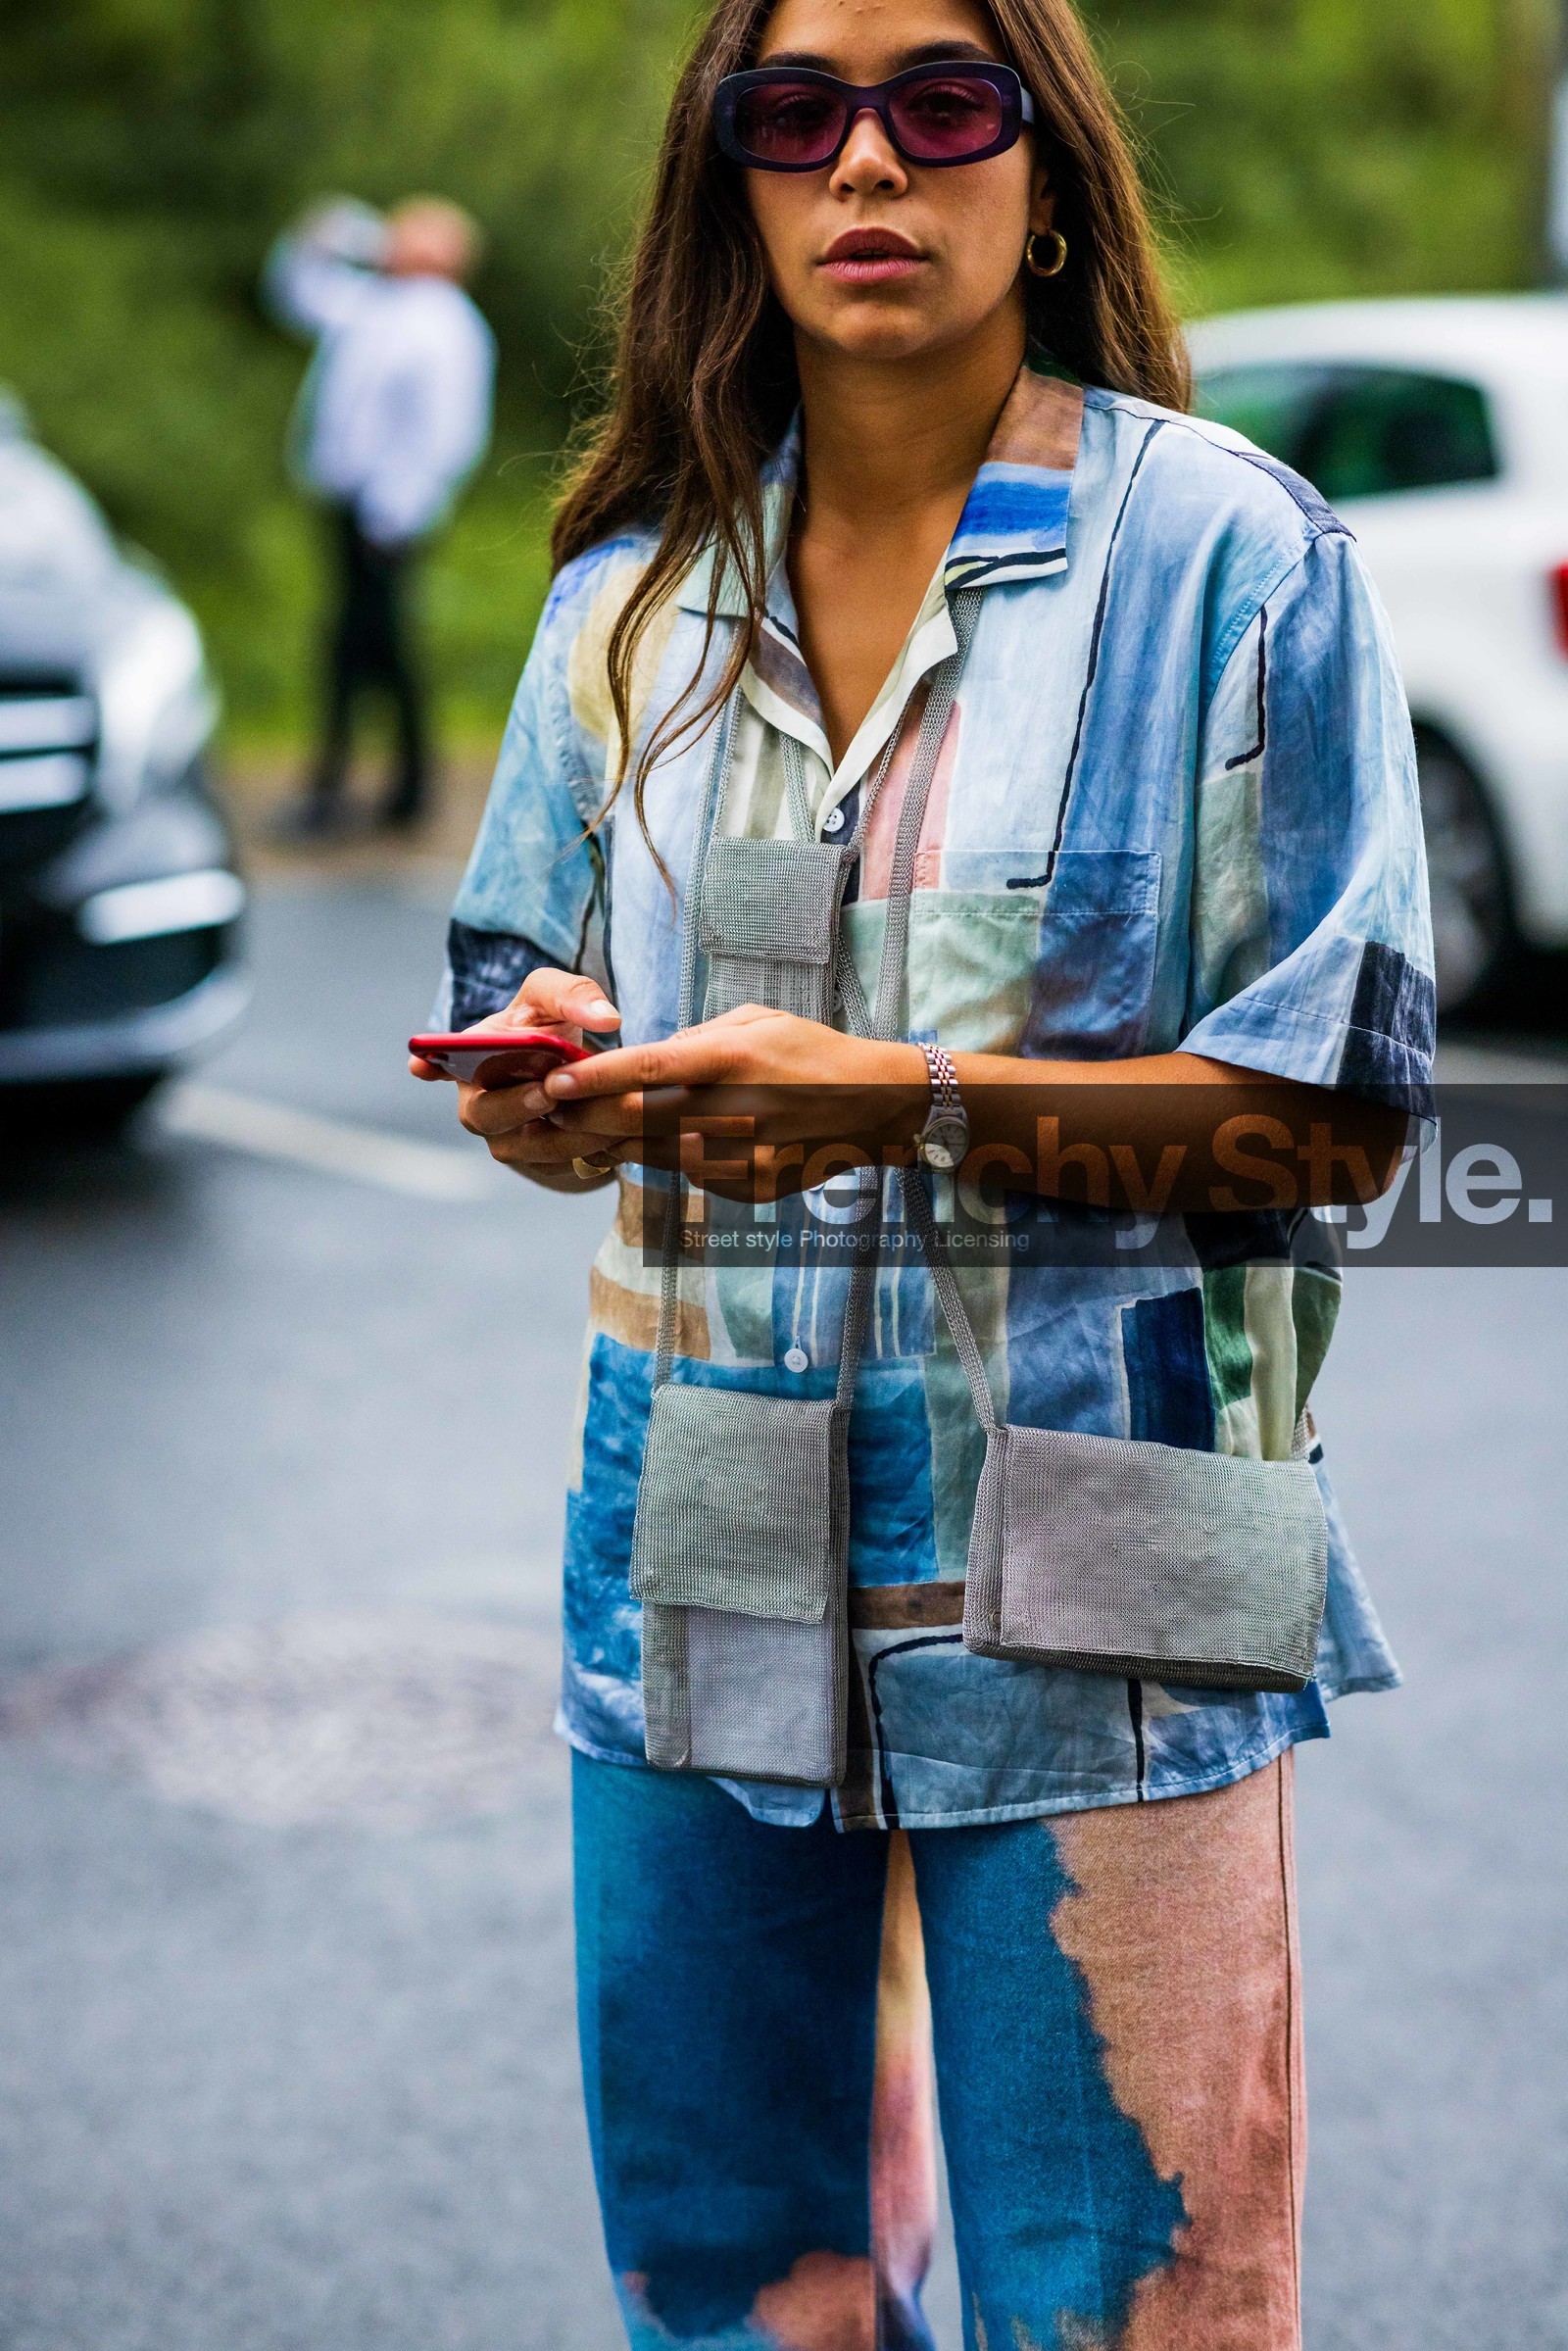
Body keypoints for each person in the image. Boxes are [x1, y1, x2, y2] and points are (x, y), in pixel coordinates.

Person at [415, 0, 1434, 2342]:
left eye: (936, 102)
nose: (863, 160)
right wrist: (540, 1080)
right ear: (733, 186)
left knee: (1125, 2303)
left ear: (1043, 171)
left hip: (1120, 1548)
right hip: (704, 1540)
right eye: (796, 113)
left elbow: (1347, 1108)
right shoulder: (629, 609)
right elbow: (520, 1003)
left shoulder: (1229, 564)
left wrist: (896, 1101)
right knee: (734, 2287)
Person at [266, 196, 495, 835]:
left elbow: (447, 433)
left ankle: (354, 788)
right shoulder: (375, 304)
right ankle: (400, 787)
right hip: (347, 503)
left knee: (368, 644)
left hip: (387, 516)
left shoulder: (448, 324)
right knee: (370, 644)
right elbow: (295, 292)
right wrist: (326, 232)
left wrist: (397, 515)